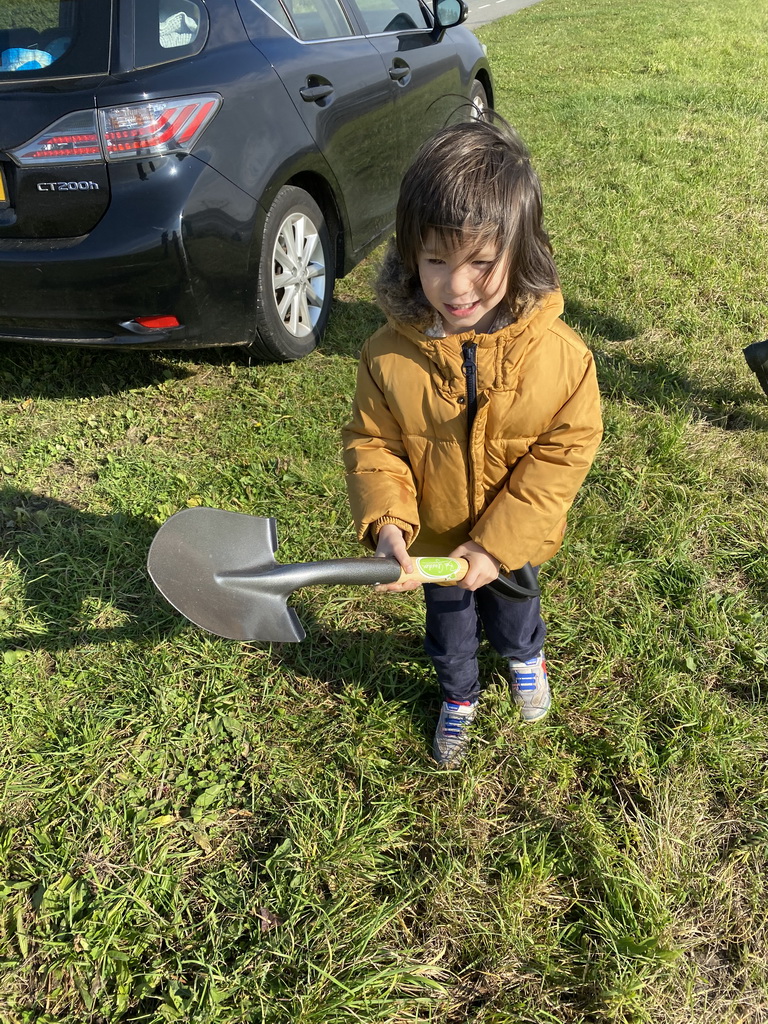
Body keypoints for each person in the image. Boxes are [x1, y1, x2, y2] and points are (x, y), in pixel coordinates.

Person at [342, 116, 603, 767]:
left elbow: (563, 456)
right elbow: (374, 444)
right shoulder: (386, 354)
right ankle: (459, 697)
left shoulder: (562, 359)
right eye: (435, 260)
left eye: (481, 263)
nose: (456, 287)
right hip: (433, 545)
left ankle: (525, 660)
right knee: (450, 631)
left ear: (522, 253)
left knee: (515, 612)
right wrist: (388, 525)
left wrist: (497, 544)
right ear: (409, 254)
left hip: (512, 543)